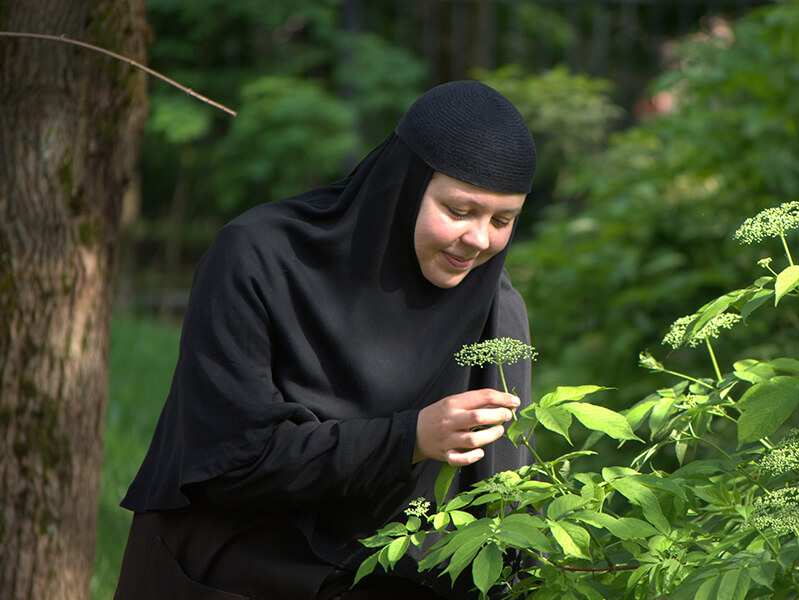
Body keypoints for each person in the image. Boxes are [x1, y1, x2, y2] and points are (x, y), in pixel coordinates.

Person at [114, 80, 537, 600]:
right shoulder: (258, 259)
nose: (478, 240)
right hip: (231, 563)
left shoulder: (495, 307)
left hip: (390, 577)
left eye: (503, 220)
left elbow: (503, 501)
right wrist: (410, 438)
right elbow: (230, 458)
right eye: (459, 211)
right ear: (403, 186)